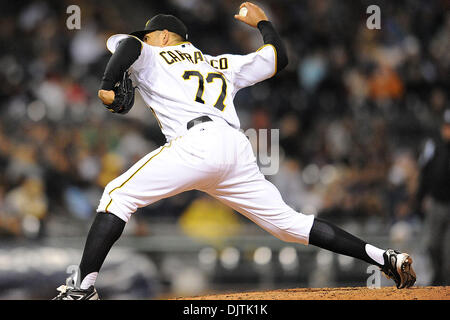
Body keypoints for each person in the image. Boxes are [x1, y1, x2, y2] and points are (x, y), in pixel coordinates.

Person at [53, 2, 415, 300]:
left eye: (148, 34)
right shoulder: (219, 63)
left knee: (118, 194)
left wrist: (106, 84)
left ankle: (81, 289)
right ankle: (384, 257)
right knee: (289, 225)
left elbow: (126, 46)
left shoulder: (149, 51)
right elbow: (278, 59)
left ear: (163, 35)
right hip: (235, 150)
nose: (141, 39)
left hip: (197, 145)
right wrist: (264, 23)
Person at [413, 109, 450, 285]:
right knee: (432, 245)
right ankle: (439, 280)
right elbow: (425, 174)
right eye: (446, 126)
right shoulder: (434, 146)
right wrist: (419, 199)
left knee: (448, 251)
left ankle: (445, 285)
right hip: (437, 203)